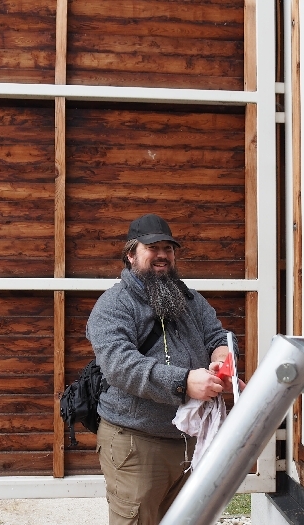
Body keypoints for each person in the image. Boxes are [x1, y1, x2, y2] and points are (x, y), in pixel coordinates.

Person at [86, 213, 238, 525]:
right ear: (131, 255)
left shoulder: (189, 299)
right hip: (136, 444)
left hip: (189, 440)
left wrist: (222, 359)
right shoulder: (113, 305)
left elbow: (217, 336)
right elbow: (120, 365)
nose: (162, 255)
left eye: (168, 248)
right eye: (152, 247)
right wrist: (184, 382)